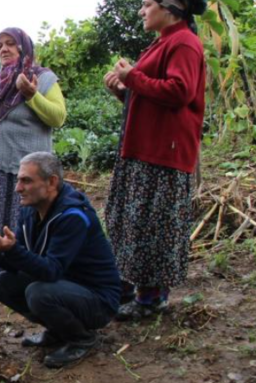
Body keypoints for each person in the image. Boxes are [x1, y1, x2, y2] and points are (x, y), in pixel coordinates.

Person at [0, 153, 121, 368]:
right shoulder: (31, 212)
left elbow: (51, 271)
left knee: (38, 293)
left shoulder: (73, 217)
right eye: (18, 180)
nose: (17, 188)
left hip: (98, 301)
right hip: (66, 287)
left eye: (26, 181)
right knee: (3, 284)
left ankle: (81, 338)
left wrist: (13, 250)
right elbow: (17, 264)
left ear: (51, 182)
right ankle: (58, 331)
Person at [103, 0, 207, 320]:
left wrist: (132, 77)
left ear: (170, 7)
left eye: (147, 3)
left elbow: (180, 91)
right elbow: (153, 97)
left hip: (163, 152)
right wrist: (123, 90)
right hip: (145, 148)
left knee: (153, 226)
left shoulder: (183, 43)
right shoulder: (163, 42)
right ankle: (128, 289)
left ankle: (150, 299)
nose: (142, 10)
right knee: (133, 221)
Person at [0, 28, 66, 292]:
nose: (4, 49)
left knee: (16, 222)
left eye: (10, 44)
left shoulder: (43, 78)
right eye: (0, 45)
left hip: (22, 166)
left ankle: (17, 277)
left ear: (24, 48)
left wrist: (32, 95)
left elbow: (58, 118)